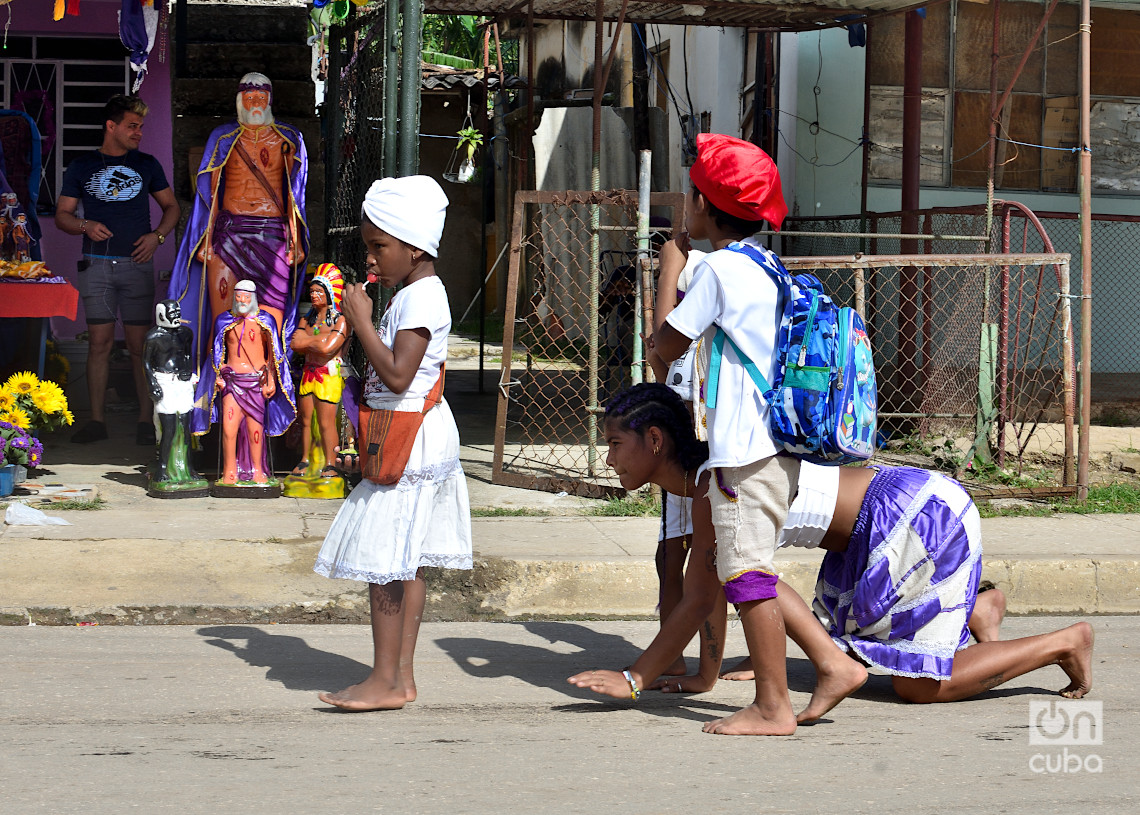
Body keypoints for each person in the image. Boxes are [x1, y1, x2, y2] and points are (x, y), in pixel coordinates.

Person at [569, 384, 1095, 720]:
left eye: (615, 444)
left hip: (913, 517)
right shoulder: (704, 484)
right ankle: (978, 609)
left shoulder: (714, 486)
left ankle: (1064, 641)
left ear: (655, 440)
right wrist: (703, 677)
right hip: (872, 535)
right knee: (765, 585)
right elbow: (714, 590)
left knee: (919, 689)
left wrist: (634, 680)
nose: (609, 457)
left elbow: (706, 597)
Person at [650, 133, 799, 736]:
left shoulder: (717, 271)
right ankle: (779, 693)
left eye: (691, 194)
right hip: (774, 442)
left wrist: (668, 272)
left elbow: (664, 347)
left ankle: (773, 706)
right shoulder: (767, 265)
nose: (686, 204)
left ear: (706, 207)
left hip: (742, 451)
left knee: (749, 578)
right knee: (747, 570)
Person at [314, 176, 473, 711]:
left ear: (414, 247)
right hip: (414, 436)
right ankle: (399, 678)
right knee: (407, 561)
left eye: (380, 246)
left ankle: (384, 680)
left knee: (387, 559)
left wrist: (360, 323)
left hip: (411, 440)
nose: (373, 258)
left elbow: (401, 374)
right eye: (369, 247)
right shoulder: (413, 293)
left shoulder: (422, 299)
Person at [55, 94, 180, 446]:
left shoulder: (147, 163)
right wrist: (84, 226)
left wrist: (157, 237)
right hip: (96, 266)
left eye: (141, 127)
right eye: (132, 126)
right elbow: (63, 215)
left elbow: (171, 208)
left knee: (141, 345)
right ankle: (96, 420)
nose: (139, 132)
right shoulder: (81, 166)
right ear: (111, 127)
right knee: (99, 344)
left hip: (137, 266)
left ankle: (145, 419)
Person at [168, 72, 308, 374]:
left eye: (261, 97)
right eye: (250, 97)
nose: (255, 103)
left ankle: (270, 399)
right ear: (239, 99)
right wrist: (205, 238)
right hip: (228, 234)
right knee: (224, 320)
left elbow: (294, 194)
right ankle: (213, 398)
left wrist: (294, 237)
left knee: (270, 322)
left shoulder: (289, 139)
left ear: (270, 100)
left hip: (273, 236)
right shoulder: (223, 138)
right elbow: (211, 193)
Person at [647, 224, 706, 678]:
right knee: (716, 556)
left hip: (690, 439)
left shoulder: (703, 287)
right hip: (715, 438)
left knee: (677, 554)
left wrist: (668, 271)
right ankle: (703, 658)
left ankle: (675, 656)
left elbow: (657, 349)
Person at [192, 279, 294, 485]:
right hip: (231, 382)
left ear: (253, 298)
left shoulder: (265, 321)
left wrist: (271, 380)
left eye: (246, 297)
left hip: (256, 382)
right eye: (238, 297)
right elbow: (217, 353)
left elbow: (274, 354)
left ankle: (257, 469)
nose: (241, 300)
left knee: (254, 429)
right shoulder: (224, 321)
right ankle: (230, 470)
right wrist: (218, 375)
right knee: (229, 428)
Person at [289, 263, 349, 478]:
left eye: (319, 291)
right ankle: (305, 459)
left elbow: (327, 348)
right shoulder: (307, 319)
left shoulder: (341, 320)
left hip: (328, 374)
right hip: (308, 373)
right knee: (305, 419)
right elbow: (295, 343)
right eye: (312, 291)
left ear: (329, 294)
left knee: (326, 421)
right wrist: (319, 339)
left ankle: (331, 462)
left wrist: (309, 341)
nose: (314, 295)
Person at [143, 299, 204, 488]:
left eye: (178, 312)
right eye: (172, 313)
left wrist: (188, 369)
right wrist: (152, 384)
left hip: (182, 382)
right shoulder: (153, 336)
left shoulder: (185, 334)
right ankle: (162, 468)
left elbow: (186, 355)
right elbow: (146, 362)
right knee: (167, 428)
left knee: (185, 428)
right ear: (161, 315)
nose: (177, 316)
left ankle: (189, 467)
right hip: (164, 381)